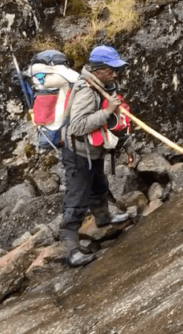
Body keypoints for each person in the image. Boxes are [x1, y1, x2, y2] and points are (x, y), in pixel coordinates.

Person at [60, 45, 133, 267]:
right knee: (77, 199)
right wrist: (107, 111)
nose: (115, 73)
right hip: (79, 153)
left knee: (99, 185)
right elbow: (78, 126)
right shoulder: (86, 90)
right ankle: (71, 249)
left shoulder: (105, 86)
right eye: (111, 69)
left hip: (95, 151)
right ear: (99, 69)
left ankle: (103, 218)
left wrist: (127, 144)